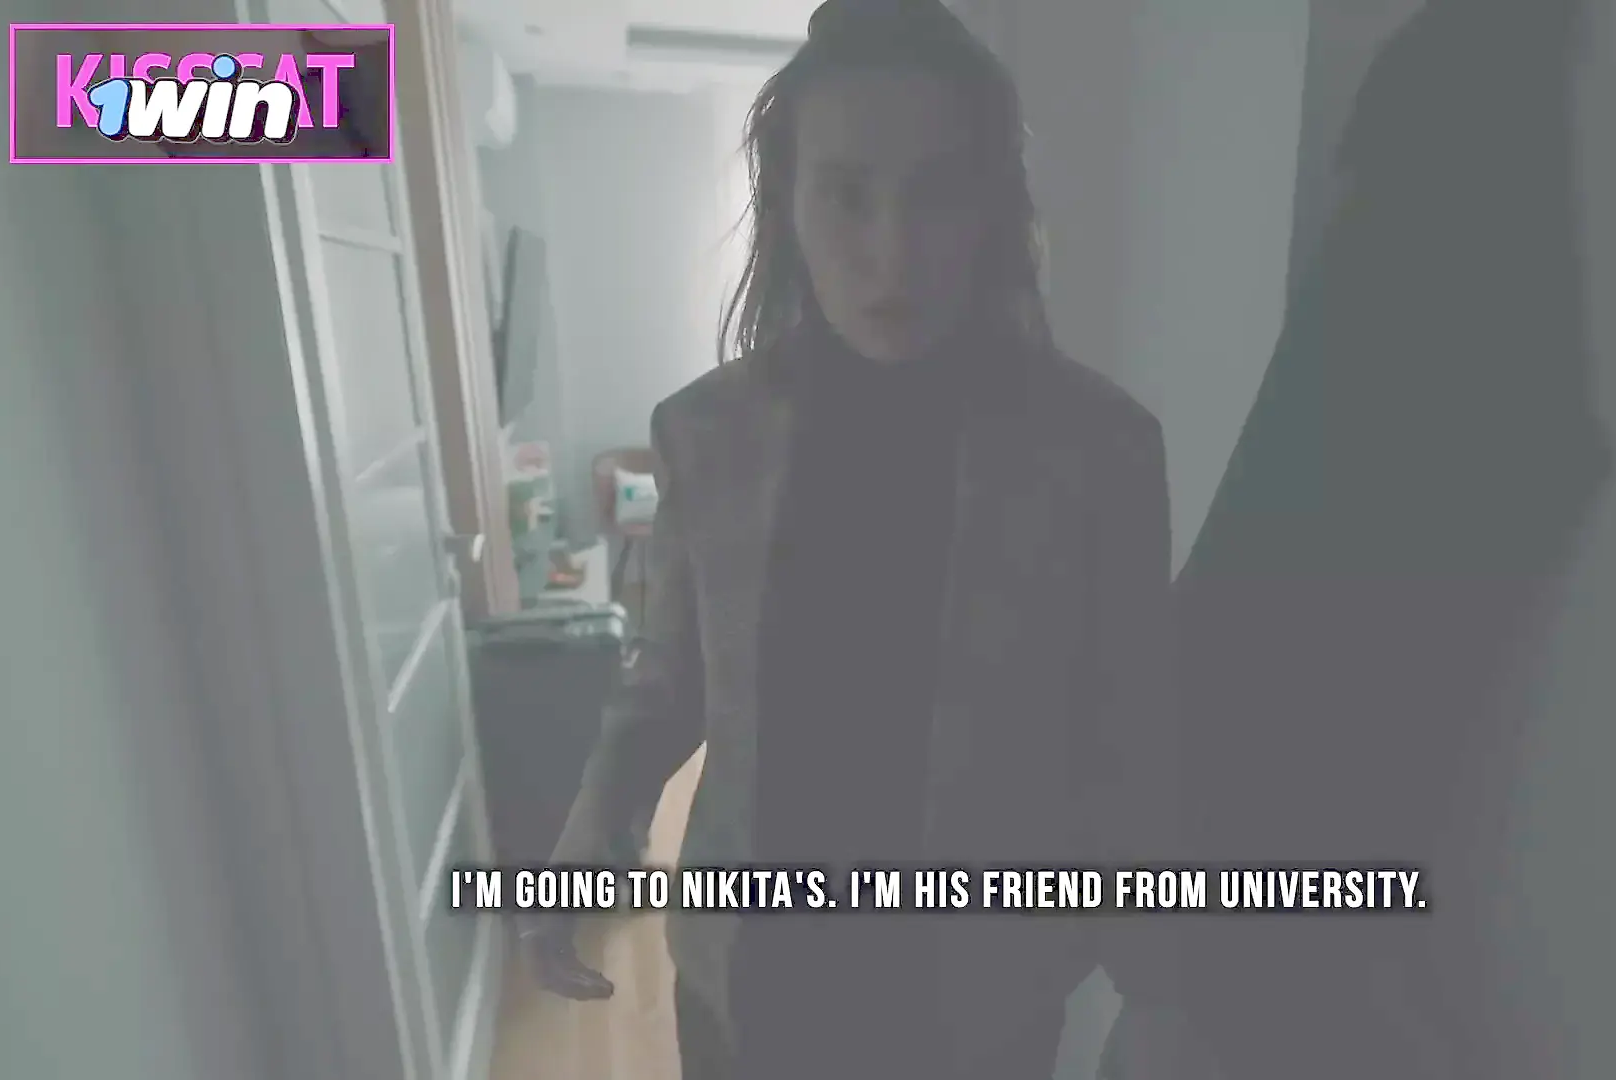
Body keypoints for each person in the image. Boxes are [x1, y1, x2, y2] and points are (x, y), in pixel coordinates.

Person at [519, 2, 1215, 1079]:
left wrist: (1161, 987)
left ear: (989, 209)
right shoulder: (706, 433)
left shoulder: (1098, 450)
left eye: (937, 194)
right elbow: (671, 680)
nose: (893, 252)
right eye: (847, 193)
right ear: (786, 203)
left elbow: (1130, 734)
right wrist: (591, 825)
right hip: (748, 981)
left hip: (978, 1003)